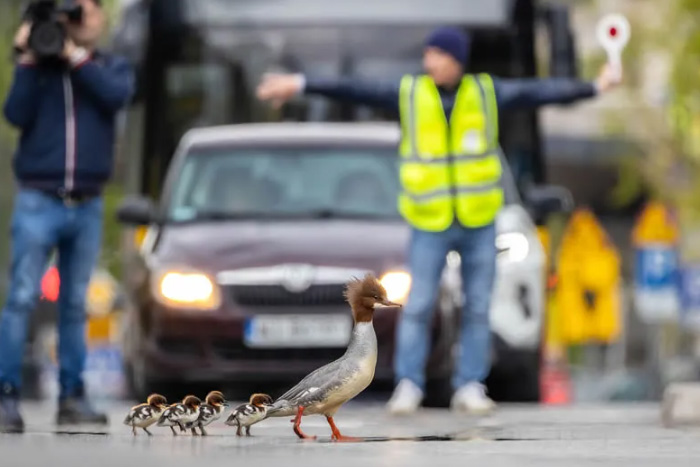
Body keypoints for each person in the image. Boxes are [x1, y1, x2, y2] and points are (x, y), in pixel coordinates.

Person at [256, 26, 621, 415]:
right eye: (428, 54)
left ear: (456, 59)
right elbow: (355, 88)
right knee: (418, 305)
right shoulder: (411, 92)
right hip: (430, 222)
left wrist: (594, 87)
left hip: (479, 220)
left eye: (437, 54)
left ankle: (469, 386)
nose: (429, 61)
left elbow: (537, 92)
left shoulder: (485, 92)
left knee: (479, 306)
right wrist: (300, 83)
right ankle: (409, 384)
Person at [0, 0, 134, 433]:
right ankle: (5, 396)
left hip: (88, 202)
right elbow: (14, 114)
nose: (78, 22)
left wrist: (76, 59)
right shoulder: (39, 69)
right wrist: (25, 59)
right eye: (69, 15)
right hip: (39, 198)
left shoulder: (110, 66)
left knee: (76, 304)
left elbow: (115, 97)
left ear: (99, 19)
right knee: (22, 297)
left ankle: (72, 397)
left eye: (85, 12)